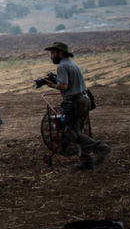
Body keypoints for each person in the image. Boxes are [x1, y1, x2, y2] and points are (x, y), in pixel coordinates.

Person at [36, 41, 110, 170]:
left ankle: (99, 147)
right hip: (84, 100)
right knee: (77, 130)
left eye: (53, 53)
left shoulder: (62, 66)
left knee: (70, 133)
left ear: (61, 53)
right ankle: (86, 162)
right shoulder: (73, 64)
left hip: (74, 102)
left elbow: (64, 86)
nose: (51, 56)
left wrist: (51, 85)